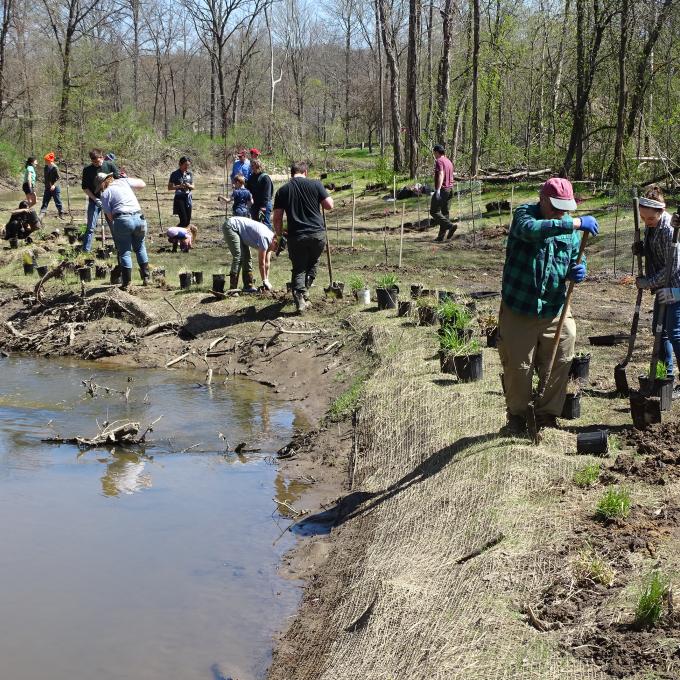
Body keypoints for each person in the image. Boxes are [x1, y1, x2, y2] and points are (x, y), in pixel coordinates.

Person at [497, 177, 599, 435]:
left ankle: (546, 415)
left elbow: (576, 258)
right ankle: (518, 417)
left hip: (554, 307)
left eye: (565, 208)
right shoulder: (525, 215)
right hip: (520, 308)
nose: (561, 213)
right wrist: (575, 222)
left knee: (563, 351)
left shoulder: (572, 231)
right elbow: (532, 230)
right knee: (519, 368)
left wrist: (578, 270)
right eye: (555, 207)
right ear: (542, 200)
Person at [272, 161, 334, 313]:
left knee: (299, 268)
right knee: (312, 263)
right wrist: (325, 193)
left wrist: (279, 235)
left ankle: (300, 297)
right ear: (305, 172)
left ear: (292, 173)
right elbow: (329, 205)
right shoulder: (316, 185)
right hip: (317, 235)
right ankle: (304, 292)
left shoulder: (283, 191)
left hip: (296, 236)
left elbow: (277, 218)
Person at [633, 186, 680, 387]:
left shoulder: (670, 229)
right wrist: (642, 249)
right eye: (643, 218)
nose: (646, 222)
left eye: (650, 219)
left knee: (673, 332)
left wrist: (648, 282)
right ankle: (664, 377)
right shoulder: (651, 226)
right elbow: (657, 254)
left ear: (661, 212)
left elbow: (673, 266)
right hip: (663, 288)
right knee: (659, 332)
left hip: (676, 288)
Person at [98, 172, 149, 289]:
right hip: (140, 219)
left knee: (125, 251)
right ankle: (146, 278)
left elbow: (110, 216)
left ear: (103, 182)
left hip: (123, 220)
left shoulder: (105, 193)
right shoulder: (123, 181)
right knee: (140, 247)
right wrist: (127, 177)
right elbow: (142, 184)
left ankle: (126, 283)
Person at [222, 215, 274, 292]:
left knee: (247, 257)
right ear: (275, 242)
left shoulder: (273, 240)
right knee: (238, 256)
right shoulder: (265, 238)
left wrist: (266, 280)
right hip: (231, 226)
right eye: (276, 248)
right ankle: (233, 289)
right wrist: (264, 280)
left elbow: (267, 263)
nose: (275, 250)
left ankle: (248, 286)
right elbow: (261, 264)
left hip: (240, 230)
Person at [81, 149, 120, 252]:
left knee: (113, 225)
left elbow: (118, 180)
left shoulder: (110, 166)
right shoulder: (87, 170)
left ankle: (119, 248)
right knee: (90, 227)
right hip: (94, 201)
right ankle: (86, 250)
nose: (96, 164)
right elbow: (85, 187)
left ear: (102, 157)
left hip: (109, 201)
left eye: (98, 161)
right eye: (93, 162)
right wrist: (95, 199)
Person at [431, 144, 456, 241]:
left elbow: (441, 174)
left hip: (443, 189)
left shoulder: (439, 161)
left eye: (434, 153)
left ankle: (450, 226)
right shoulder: (449, 161)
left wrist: (438, 189)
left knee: (434, 211)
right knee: (445, 213)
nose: (434, 155)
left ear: (437, 152)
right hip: (450, 189)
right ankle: (441, 237)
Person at [246, 159, 274, 228]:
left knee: (265, 225)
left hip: (264, 205)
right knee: (256, 224)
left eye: (253, 166)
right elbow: (248, 189)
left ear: (258, 166)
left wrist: (263, 206)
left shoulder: (265, 177)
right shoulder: (252, 177)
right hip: (254, 204)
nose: (251, 167)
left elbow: (267, 193)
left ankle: (268, 238)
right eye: (251, 166)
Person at [168, 157, 194, 230]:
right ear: (180, 164)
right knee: (183, 220)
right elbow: (169, 187)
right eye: (185, 165)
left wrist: (189, 186)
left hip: (188, 198)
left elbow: (193, 186)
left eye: (188, 165)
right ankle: (173, 233)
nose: (187, 167)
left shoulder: (189, 174)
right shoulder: (174, 174)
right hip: (179, 198)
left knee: (188, 221)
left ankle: (183, 238)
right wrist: (179, 186)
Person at [39, 152, 64, 219]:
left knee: (57, 201)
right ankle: (41, 215)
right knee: (45, 202)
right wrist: (47, 185)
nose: (45, 161)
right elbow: (46, 177)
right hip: (47, 187)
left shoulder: (55, 168)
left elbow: (59, 178)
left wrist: (54, 185)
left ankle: (61, 214)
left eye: (46, 160)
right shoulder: (46, 167)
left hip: (55, 187)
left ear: (50, 161)